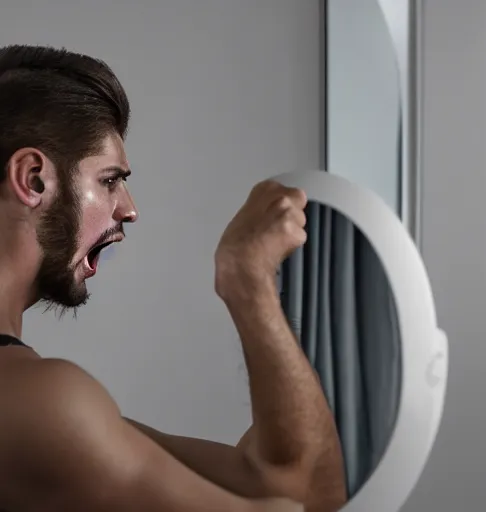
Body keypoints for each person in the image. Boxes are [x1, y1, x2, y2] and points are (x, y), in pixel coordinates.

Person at [0, 44, 347, 512]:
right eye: (109, 180)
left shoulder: (36, 407)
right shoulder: (37, 405)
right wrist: (247, 280)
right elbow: (304, 497)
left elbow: (256, 478)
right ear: (35, 179)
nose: (129, 208)